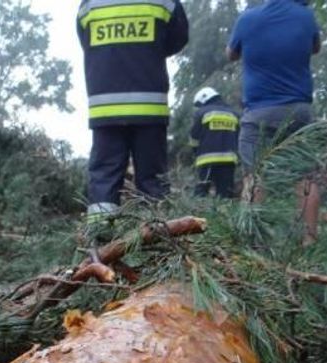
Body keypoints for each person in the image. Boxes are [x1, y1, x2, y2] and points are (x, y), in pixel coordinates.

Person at [77, 0, 189, 220]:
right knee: (153, 182)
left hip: (105, 112)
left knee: (104, 179)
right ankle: (158, 244)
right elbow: (178, 39)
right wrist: (148, 50)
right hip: (150, 111)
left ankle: (100, 243)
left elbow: (85, 40)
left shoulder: (89, 4)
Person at [226, 0, 321, 243]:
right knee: (305, 178)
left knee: (254, 176)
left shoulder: (247, 19)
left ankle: (251, 241)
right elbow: (315, 48)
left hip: (259, 111)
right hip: (298, 111)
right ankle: (309, 241)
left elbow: (231, 54)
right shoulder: (305, 17)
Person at [189, 87, 240, 198]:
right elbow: (239, 136)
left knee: (201, 192)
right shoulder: (234, 114)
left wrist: (194, 152)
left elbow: (194, 137)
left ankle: (196, 213)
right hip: (229, 161)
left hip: (207, 160)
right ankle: (226, 214)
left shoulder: (201, 113)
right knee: (226, 194)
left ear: (204, 99)